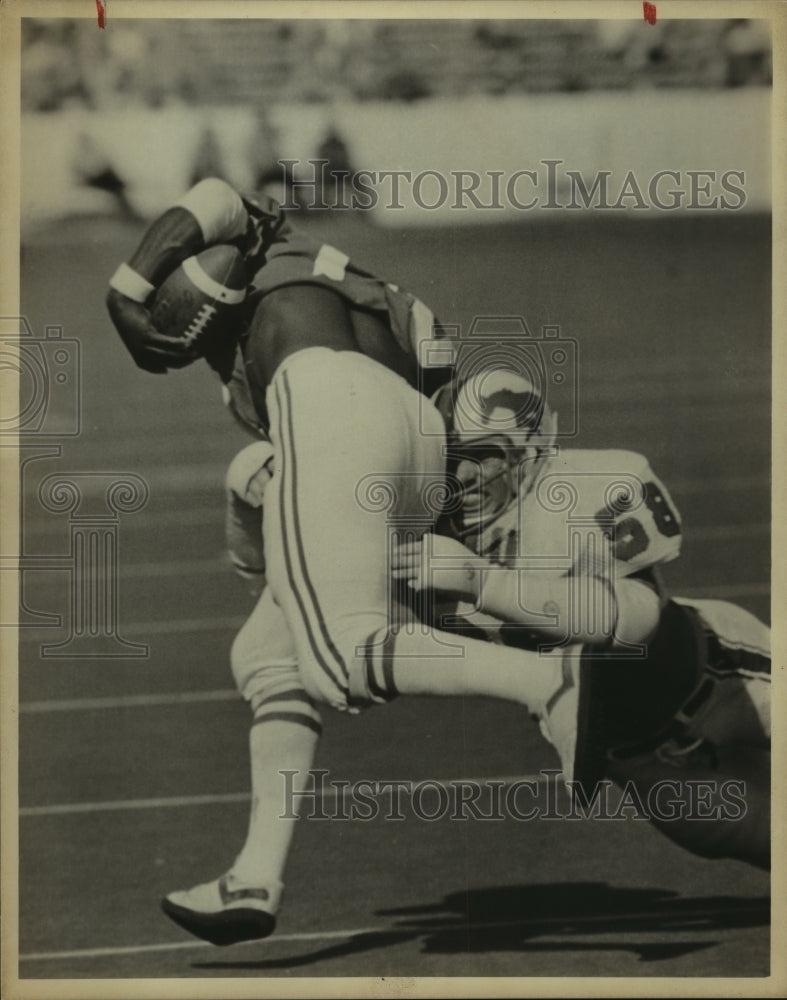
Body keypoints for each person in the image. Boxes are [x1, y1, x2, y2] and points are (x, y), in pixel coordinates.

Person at [106, 178, 594, 945]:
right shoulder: (311, 268)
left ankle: (553, 685)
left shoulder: (276, 329)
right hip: (417, 437)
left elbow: (217, 194)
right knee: (269, 653)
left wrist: (124, 293)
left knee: (340, 660)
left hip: (334, 412)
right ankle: (254, 877)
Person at [393, 370, 771, 870]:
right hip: (640, 761)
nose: (461, 477)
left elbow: (634, 621)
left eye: (482, 455)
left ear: (527, 455)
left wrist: (486, 584)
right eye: (446, 461)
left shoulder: (574, 493)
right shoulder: (418, 536)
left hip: (723, 677)